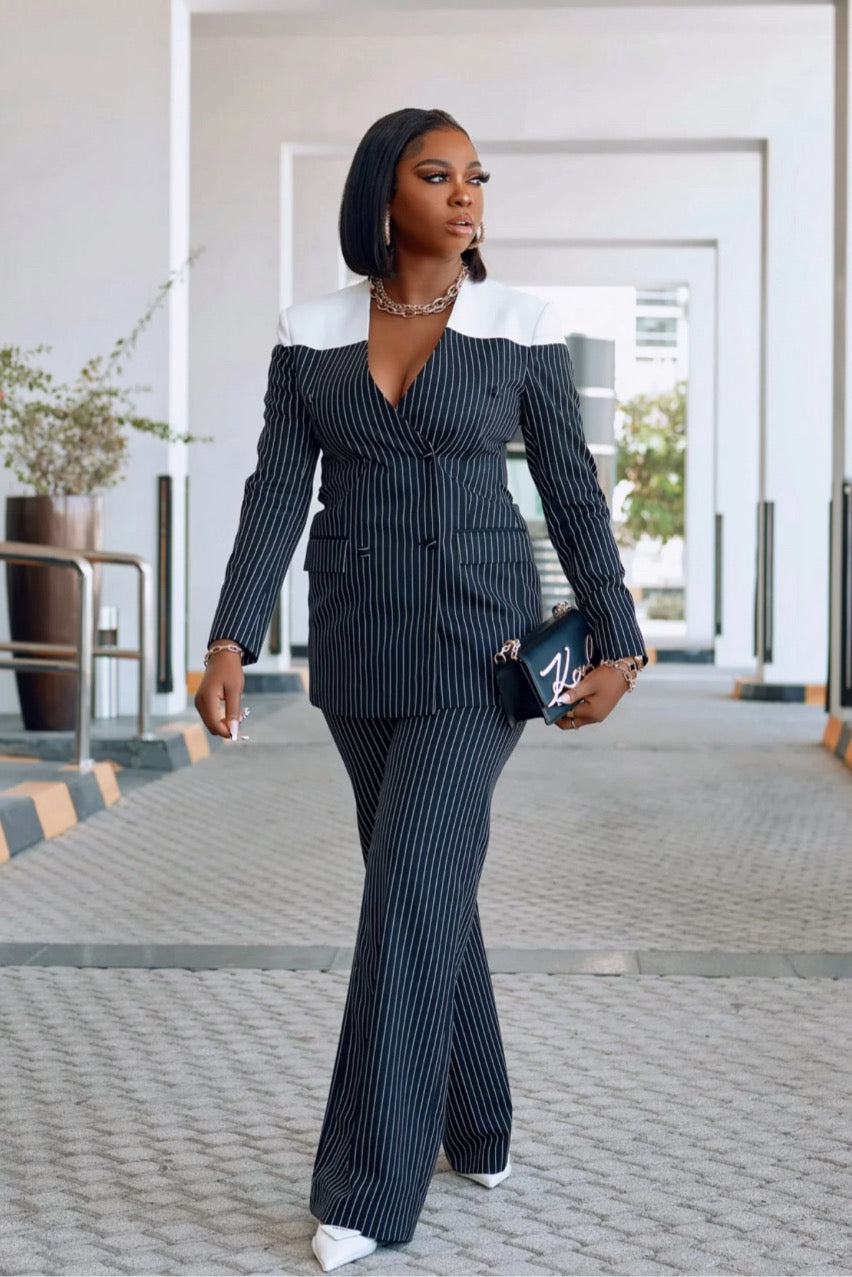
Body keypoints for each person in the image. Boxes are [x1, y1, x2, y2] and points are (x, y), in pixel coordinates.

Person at [195, 106, 647, 1273]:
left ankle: (368, 1188)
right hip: (353, 652)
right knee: (424, 877)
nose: (465, 195)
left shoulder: (518, 328)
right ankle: (479, 1120)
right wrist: (233, 636)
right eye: (436, 175)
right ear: (380, 195)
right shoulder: (311, 335)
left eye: (475, 177)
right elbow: (273, 497)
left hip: (480, 653)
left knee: (404, 889)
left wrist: (622, 638)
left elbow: (572, 492)